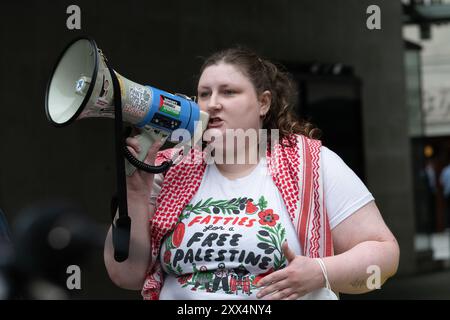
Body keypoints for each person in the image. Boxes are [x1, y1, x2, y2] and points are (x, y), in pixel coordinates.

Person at [104, 47, 400, 300]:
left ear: (263, 103)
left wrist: (321, 272)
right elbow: (126, 275)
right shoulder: (167, 168)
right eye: (204, 94)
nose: (213, 103)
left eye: (229, 92)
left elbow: (384, 256)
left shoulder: (312, 163)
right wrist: (137, 194)